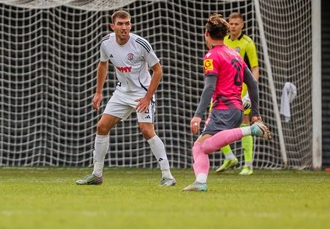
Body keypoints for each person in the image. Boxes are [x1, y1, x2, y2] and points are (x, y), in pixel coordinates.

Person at [76, 10, 176, 186]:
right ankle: (97, 175)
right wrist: (98, 92)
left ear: (131, 25)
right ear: (112, 26)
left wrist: (147, 97)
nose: (124, 27)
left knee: (146, 129)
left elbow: (158, 70)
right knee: (102, 126)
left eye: (127, 23)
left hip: (141, 93)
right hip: (122, 93)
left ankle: (167, 176)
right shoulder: (106, 43)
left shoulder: (140, 44)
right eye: (120, 24)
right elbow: (103, 64)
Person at [183, 14, 272, 192]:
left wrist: (197, 116)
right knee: (199, 147)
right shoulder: (235, 54)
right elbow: (253, 84)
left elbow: (209, 88)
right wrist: (255, 112)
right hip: (237, 109)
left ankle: (251, 130)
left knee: (204, 146)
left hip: (223, 109)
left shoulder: (211, 56)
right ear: (224, 35)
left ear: (206, 34)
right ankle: (200, 182)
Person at [215, 11, 261, 175]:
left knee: (245, 121)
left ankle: (248, 164)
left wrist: (250, 91)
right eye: (231, 23)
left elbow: (254, 67)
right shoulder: (223, 41)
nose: (233, 26)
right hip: (223, 89)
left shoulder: (248, 43)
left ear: (242, 25)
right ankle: (229, 156)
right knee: (214, 119)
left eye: (236, 24)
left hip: (241, 90)